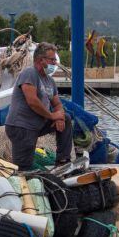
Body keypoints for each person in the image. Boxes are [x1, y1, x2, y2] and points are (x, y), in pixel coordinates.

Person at [5, 42, 74, 170]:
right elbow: (32, 101)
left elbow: (57, 104)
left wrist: (59, 117)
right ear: (41, 60)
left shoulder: (49, 81)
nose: (55, 63)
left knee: (66, 119)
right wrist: (52, 116)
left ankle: (63, 161)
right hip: (21, 126)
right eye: (52, 60)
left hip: (37, 125)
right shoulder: (29, 73)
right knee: (24, 168)